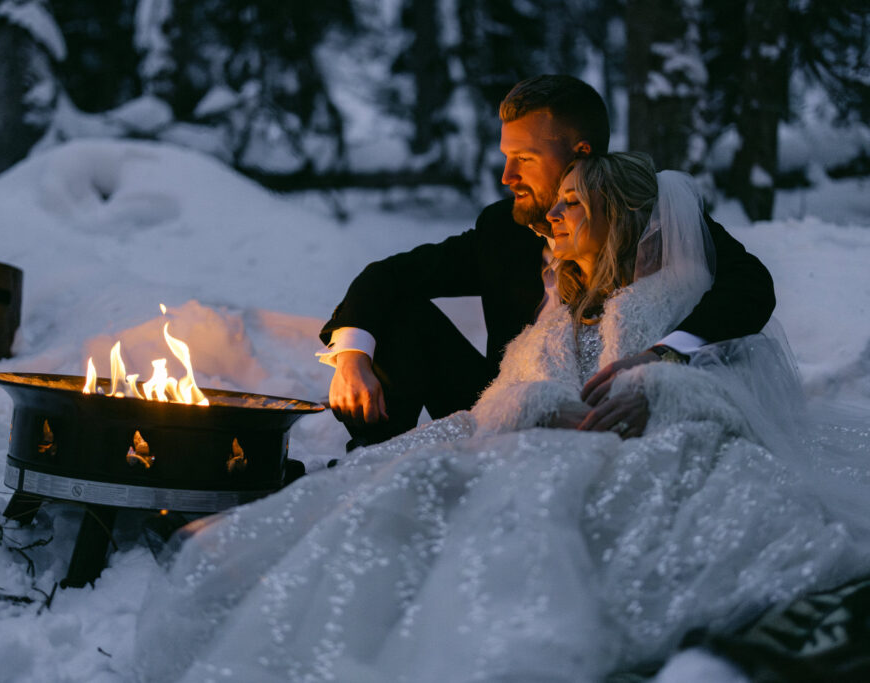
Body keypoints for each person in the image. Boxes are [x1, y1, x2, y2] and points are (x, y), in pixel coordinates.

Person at [135, 154, 870, 682]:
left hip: (649, 446)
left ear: (617, 213)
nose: (542, 208)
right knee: (415, 483)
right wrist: (533, 407)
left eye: (567, 199)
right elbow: (504, 369)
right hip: (536, 438)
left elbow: (736, 374)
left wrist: (665, 386)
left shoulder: (686, 288)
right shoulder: (557, 292)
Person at [320, 74, 775, 450]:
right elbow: (390, 274)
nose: (506, 176)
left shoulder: (649, 212)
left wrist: (662, 358)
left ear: (580, 153)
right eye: (505, 158)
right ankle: (372, 459)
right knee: (396, 312)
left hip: (619, 414)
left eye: (524, 159)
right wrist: (353, 356)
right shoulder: (502, 226)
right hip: (504, 405)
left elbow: (750, 286)